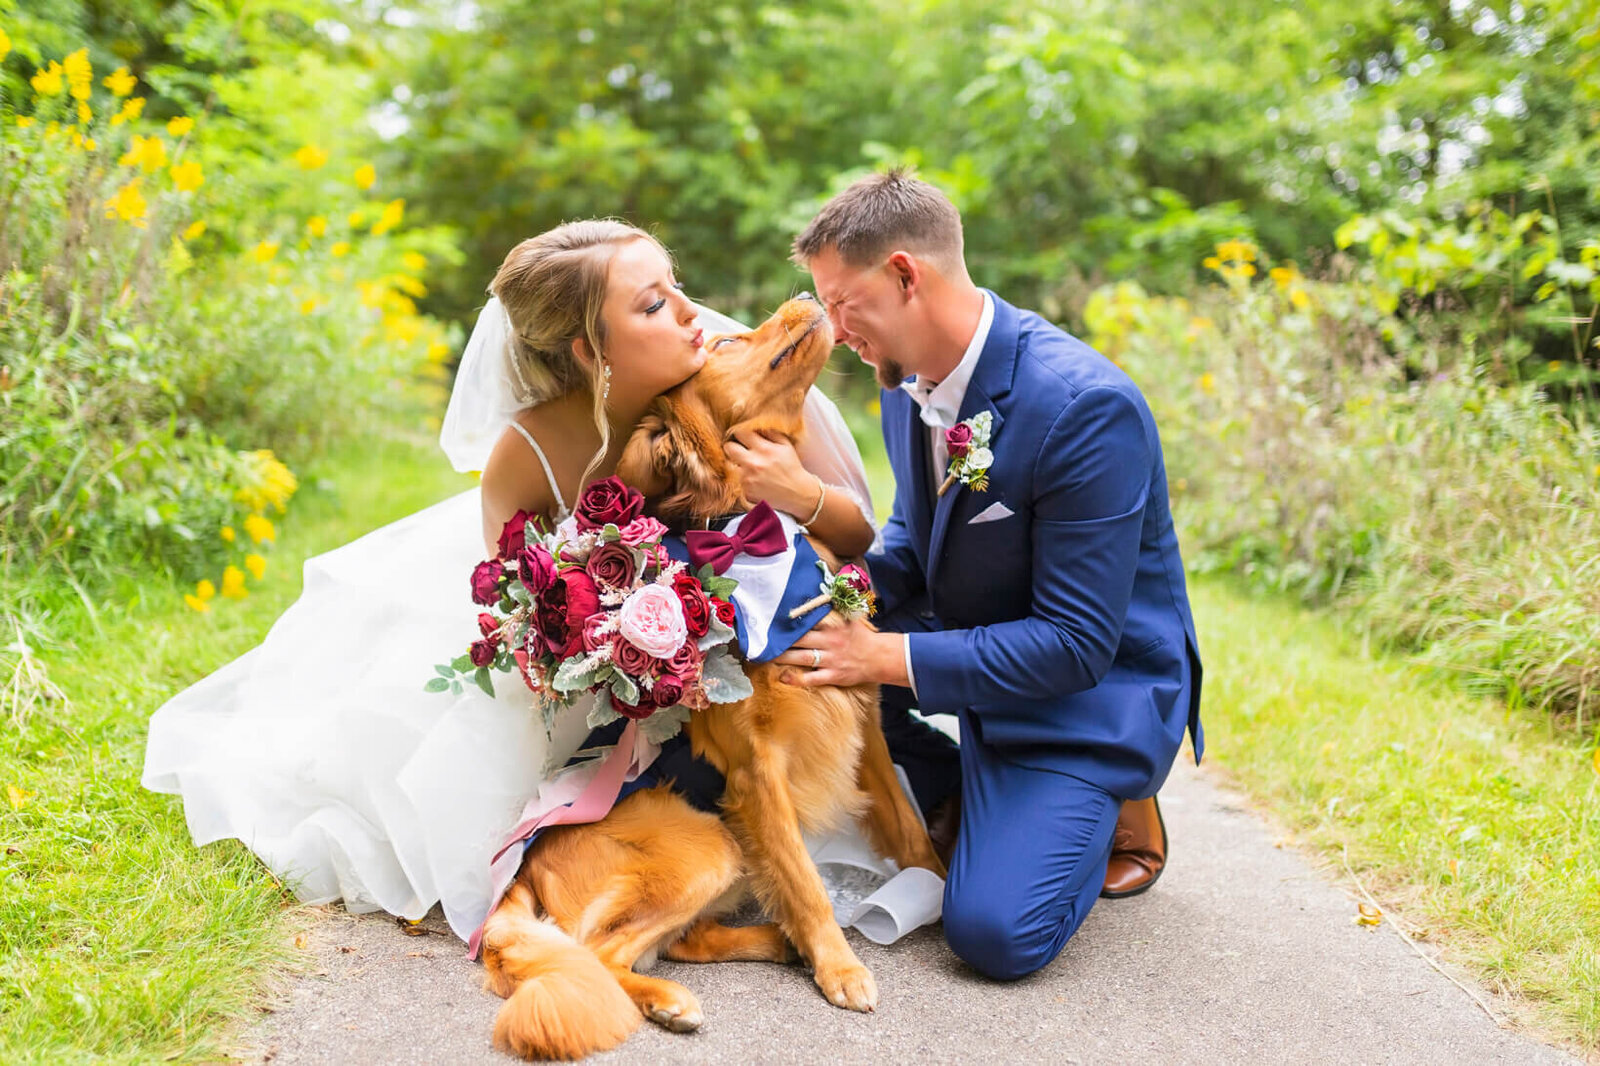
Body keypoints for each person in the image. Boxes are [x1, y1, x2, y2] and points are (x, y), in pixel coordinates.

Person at [141, 219, 880, 943]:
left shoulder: (730, 370)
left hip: (737, 637)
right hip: (585, 673)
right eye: (654, 305)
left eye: (676, 286)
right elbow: (521, 609)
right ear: (591, 351)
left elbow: (854, 534)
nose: (692, 314)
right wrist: (618, 639)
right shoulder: (528, 451)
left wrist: (794, 495)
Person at [777, 170, 1205, 980]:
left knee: (995, 937)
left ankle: (1104, 794)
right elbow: (909, 541)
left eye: (842, 303)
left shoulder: (1086, 408)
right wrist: (830, 607)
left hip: (1083, 694)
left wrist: (885, 659)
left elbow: (1077, 645)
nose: (832, 330)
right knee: (799, 665)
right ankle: (979, 787)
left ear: (907, 274)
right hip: (979, 642)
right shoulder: (903, 381)